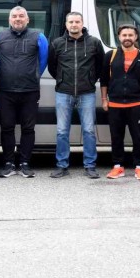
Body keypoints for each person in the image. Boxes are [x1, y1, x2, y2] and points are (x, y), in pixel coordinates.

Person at [0, 6, 49, 178]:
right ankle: (8, 163)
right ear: (9, 20)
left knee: (28, 128)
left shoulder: (39, 37)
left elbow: (43, 60)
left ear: (27, 19)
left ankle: (25, 163)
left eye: (21, 16)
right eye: (14, 16)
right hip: (5, 91)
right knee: (6, 128)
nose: (18, 19)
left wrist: (32, 76)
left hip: (30, 91)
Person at [47, 11, 104, 179]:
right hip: (63, 92)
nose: (74, 25)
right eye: (71, 22)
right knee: (62, 131)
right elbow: (52, 67)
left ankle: (90, 166)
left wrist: (90, 80)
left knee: (89, 131)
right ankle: (61, 165)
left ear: (82, 23)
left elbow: (100, 66)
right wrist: (62, 80)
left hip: (87, 92)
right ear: (66, 24)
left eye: (77, 22)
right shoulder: (57, 43)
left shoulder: (94, 43)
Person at [100, 24, 140, 180]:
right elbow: (104, 80)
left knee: (138, 137)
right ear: (119, 37)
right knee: (116, 137)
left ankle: (139, 167)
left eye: (130, 35)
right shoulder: (110, 55)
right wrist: (104, 100)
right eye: (124, 35)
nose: (127, 38)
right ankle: (118, 167)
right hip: (115, 104)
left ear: (136, 37)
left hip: (136, 103)